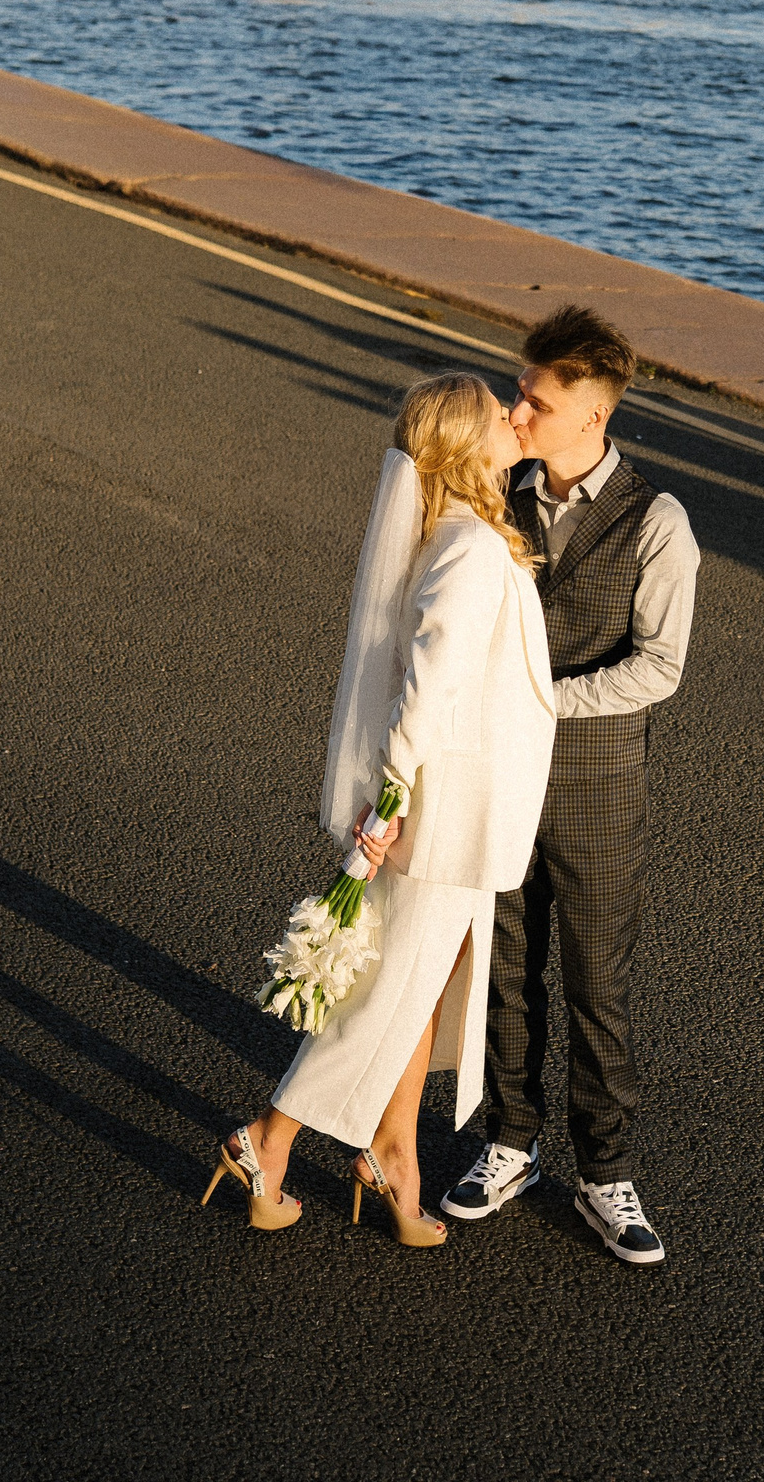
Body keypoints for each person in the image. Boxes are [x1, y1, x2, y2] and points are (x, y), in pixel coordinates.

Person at [205, 374, 557, 1245]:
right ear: (465, 446)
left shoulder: (463, 535)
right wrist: (393, 791)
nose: (515, 422)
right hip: (447, 817)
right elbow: (427, 685)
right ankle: (268, 1140)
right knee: (388, 991)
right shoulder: (470, 548)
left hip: (461, 816)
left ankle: (393, 1154)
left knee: (418, 989)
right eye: (499, 416)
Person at [441, 306, 700, 1267]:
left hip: (595, 785)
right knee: (506, 970)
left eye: (536, 403)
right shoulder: (495, 492)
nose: (517, 413)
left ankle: (605, 1172)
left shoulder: (659, 522)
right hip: (495, 774)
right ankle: (511, 1143)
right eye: (519, 394)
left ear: (594, 416)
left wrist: (537, 697)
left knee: (597, 985)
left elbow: (658, 667)